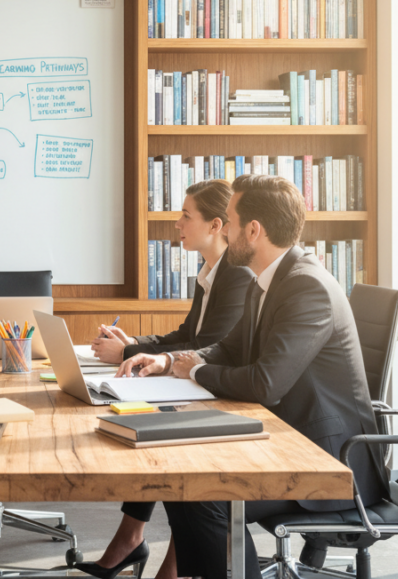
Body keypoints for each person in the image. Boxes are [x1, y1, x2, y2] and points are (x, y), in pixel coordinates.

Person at [115, 174, 388, 579]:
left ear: (253, 230)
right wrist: (170, 362)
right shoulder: (267, 280)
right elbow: (229, 348)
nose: (223, 228)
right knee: (181, 481)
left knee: (201, 496)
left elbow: (265, 384)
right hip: (290, 439)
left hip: (330, 462)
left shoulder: (306, 287)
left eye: (229, 219)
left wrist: (199, 369)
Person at [77, 179, 253, 579]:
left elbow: (206, 346)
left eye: (186, 216)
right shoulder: (211, 272)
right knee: (155, 430)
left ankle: (145, 552)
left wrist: (129, 354)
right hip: (198, 383)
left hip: (222, 394)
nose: (177, 223)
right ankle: (135, 543)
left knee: (167, 444)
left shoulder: (237, 276)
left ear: (215, 225)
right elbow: (183, 336)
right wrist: (134, 344)